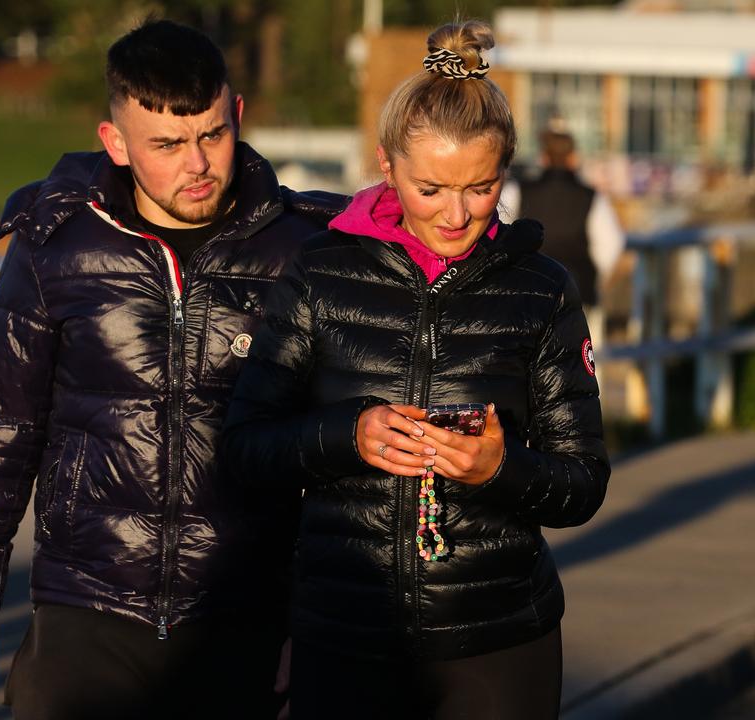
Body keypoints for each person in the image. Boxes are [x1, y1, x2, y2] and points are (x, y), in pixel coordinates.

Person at [0, 19, 340, 720]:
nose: (198, 163)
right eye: (168, 145)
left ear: (237, 115)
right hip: (83, 609)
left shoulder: (303, 249)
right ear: (115, 143)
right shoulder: (53, 243)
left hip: (245, 614)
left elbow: (333, 445)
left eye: (212, 134)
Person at [222, 20, 610, 719]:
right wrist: (348, 435)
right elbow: (245, 448)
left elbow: (582, 483)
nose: (457, 215)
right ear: (385, 165)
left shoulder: (542, 288)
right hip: (344, 632)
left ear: (508, 170)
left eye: (481, 187)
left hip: (498, 639)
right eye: (430, 189)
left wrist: (499, 469)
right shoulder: (319, 272)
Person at [499, 126, 624, 351]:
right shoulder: (591, 197)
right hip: (579, 292)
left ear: (543, 158)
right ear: (574, 158)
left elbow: (501, 234)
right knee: (585, 366)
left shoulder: (518, 191)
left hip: (529, 294)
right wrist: (593, 275)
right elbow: (612, 243)